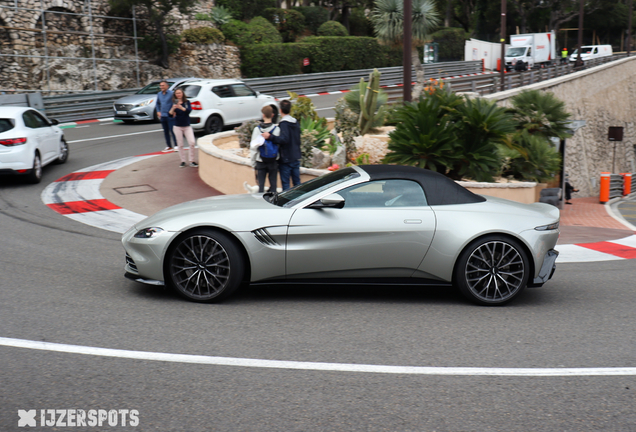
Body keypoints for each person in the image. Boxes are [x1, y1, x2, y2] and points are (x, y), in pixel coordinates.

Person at [262, 99, 301, 191]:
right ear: (290, 109)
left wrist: (270, 137)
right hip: (295, 157)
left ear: (280, 110)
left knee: (286, 185)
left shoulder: (284, 124)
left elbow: (284, 139)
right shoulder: (295, 122)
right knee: (297, 184)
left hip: (286, 159)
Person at [250, 106, 280, 193]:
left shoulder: (257, 130)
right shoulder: (277, 129)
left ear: (263, 115)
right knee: (273, 186)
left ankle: (261, 203)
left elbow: (253, 147)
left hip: (260, 161)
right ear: (273, 115)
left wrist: (253, 163)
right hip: (273, 161)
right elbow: (278, 145)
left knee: (261, 187)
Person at [169, 88, 198, 168]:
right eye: (177, 93)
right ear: (175, 95)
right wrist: (173, 108)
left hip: (187, 125)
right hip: (177, 126)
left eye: (179, 93)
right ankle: (183, 161)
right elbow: (170, 115)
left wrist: (181, 108)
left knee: (192, 142)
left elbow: (189, 110)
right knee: (180, 144)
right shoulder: (173, 103)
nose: (178, 94)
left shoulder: (186, 102)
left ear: (182, 94)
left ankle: (192, 160)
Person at [156, 80, 177, 152]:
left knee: (173, 131)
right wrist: (158, 111)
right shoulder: (159, 94)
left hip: (170, 115)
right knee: (166, 131)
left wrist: (174, 111)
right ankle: (169, 146)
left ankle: (176, 145)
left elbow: (175, 102)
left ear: (167, 86)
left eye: (163, 85)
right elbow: (157, 103)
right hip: (163, 115)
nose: (161, 87)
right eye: (160, 86)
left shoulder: (171, 94)